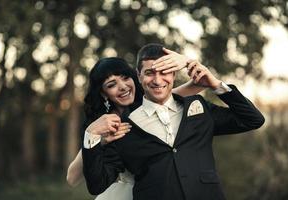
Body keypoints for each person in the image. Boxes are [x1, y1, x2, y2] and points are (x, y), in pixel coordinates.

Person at [82, 44, 265, 200]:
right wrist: (91, 136)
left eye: (164, 72)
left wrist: (216, 84)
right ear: (138, 76)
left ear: (174, 74)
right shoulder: (121, 128)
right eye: (149, 73)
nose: (157, 79)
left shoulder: (197, 106)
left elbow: (253, 119)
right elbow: (97, 185)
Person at [66, 55, 204, 198]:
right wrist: (97, 140)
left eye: (125, 78)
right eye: (112, 84)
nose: (123, 87)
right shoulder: (101, 125)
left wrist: (185, 61)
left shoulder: (151, 102)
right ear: (103, 93)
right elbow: (72, 178)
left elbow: (199, 84)